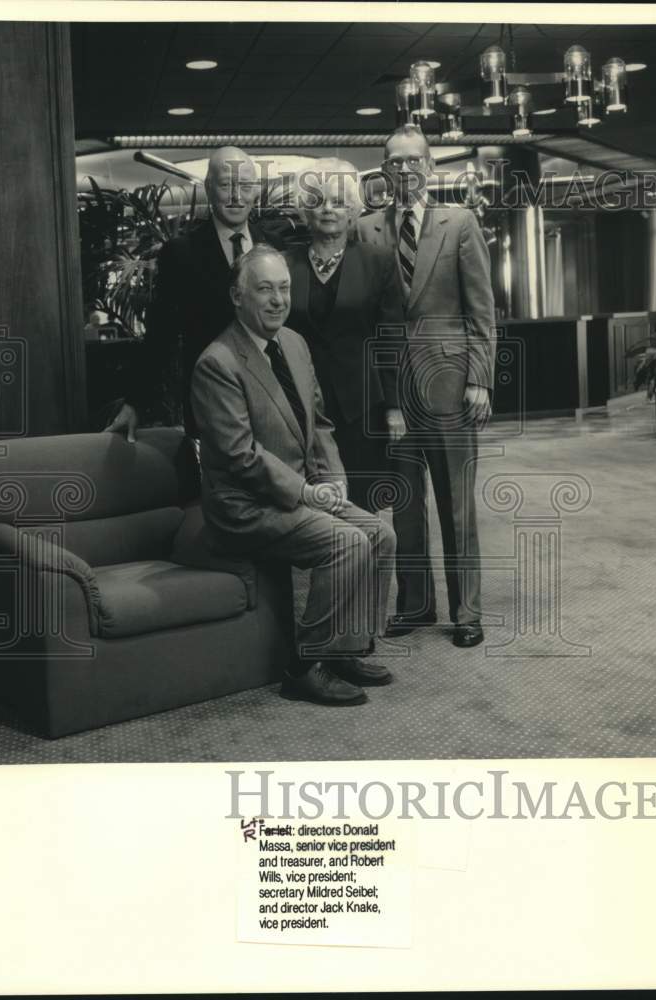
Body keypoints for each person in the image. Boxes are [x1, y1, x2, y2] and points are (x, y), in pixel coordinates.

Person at [190, 245, 397, 706]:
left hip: (302, 493)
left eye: (284, 288)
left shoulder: (295, 344)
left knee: (380, 535)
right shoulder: (217, 363)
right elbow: (241, 456)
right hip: (245, 508)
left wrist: (335, 480)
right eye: (264, 289)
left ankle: (345, 649)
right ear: (237, 296)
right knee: (347, 542)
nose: (278, 299)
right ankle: (304, 666)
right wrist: (306, 491)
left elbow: (319, 425)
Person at [358, 125, 496, 649]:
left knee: (457, 501)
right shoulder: (368, 229)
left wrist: (480, 380)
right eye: (395, 162)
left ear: (431, 167)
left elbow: (482, 311)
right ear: (384, 170)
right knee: (406, 501)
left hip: (451, 383)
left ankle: (467, 612)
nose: (406, 170)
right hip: (394, 390)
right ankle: (415, 604)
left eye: (415, 160)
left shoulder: (459, 222)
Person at [107, 146, 282, 441]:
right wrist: (136, 403)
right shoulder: (181, 254)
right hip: (209, 404)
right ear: (208, 188)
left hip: (275, 403)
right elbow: (160, 333)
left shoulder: (276, 246)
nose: (236, 196)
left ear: (256, 191)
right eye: (226, 185)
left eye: (245, 186)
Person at [285, 158, 407, 512]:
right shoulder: (285, 264)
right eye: (318, 200)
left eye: (338, 201)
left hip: (362, 406)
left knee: (362, 507)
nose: (328, 210)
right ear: (306, 210)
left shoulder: (378, 261)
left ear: (352, 210)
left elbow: (391, 339)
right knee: (314, 510)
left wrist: (395, 407)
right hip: (302, 408)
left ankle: (366, 570)